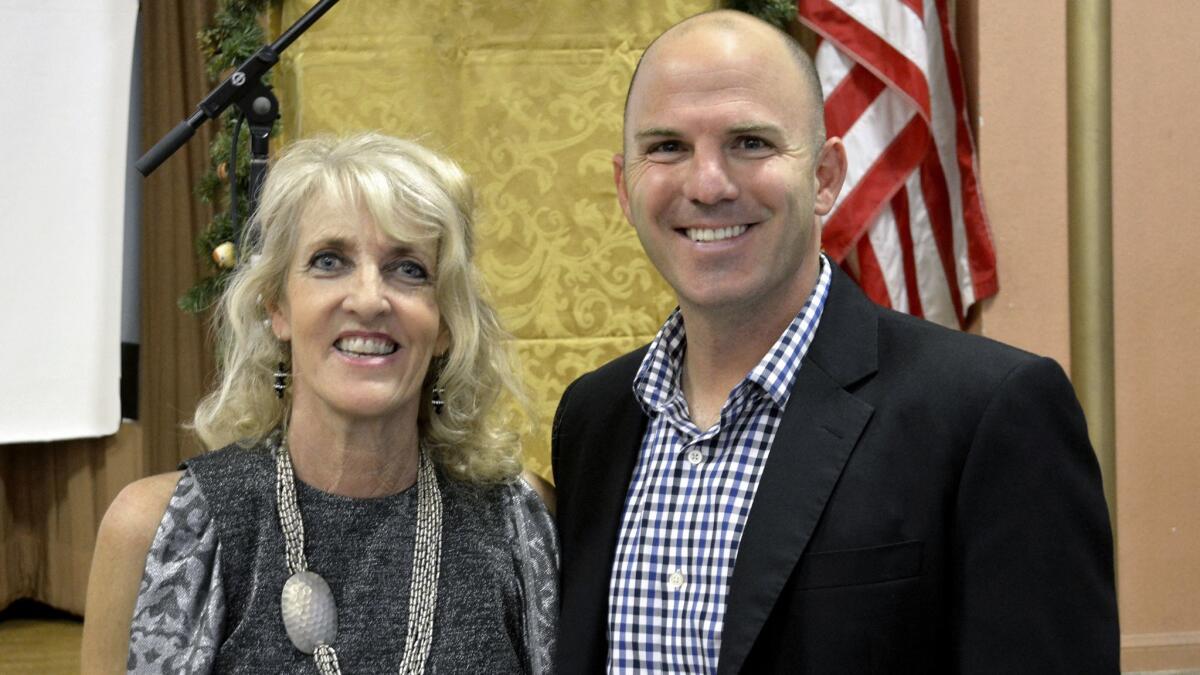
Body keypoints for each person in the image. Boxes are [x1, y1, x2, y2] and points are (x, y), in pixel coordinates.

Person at [551, 10, 1117, 674]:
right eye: (667, 147)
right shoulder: (594, 420)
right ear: (625, 186)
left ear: (824, 177)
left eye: (750, 142)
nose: (706, 184)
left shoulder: (988, 415)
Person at [81, 133, 558, 673]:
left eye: (409, 269)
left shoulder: (524, 523)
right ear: (276, 307)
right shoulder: (160, 532)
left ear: (447, 322)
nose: (368, 299)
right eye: (330, 261)